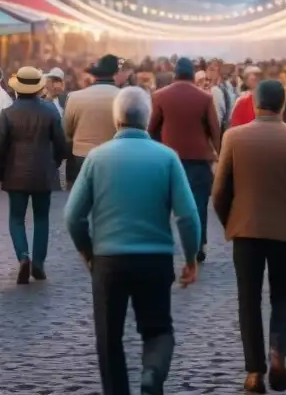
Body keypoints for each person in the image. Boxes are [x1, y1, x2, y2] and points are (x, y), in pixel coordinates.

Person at [65, 87, 200, 395]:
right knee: (158, 329)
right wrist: (191, 258)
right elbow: (188, 215)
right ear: (149, 119)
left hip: (109, 259)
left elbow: (73, 216)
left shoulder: (97, 159)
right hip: (155, 258)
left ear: (116, 119)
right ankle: (152, 372)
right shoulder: (167, 158)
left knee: (109, 338)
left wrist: (87, 252)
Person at [212, 79, 286, 394]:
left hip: (246, 230)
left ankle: (253, 371)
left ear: (255, 102)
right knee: (282, 294)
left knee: (248, 298)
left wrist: (230, 222)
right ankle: (278, 351)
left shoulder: (234, 137)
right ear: (283, 104)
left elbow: (219, 191)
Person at [0, 66, 67, 283]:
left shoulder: (8, 113)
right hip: (43, 172)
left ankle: (23, 256)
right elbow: (61, 144)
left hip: (15, 174)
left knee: (16, 218)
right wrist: (56, 162)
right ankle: (39, 263)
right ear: (38, 88)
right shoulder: (50, 111)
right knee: (42, 218)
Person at [148, 56, 221, 263]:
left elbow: (152, 128)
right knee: (198, 205)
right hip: (199, 160)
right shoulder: (205, 98)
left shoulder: (160, 96)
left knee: (165, 204)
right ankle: (198, 245)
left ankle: (162, 244)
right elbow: (214, 130)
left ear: (175, 73)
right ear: (192, 73)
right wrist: (219, 155)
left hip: (169, 160)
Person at [64, 54, 122, 187]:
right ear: (115, 74)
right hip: (113, 157)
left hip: (82, 156)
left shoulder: (74, 97)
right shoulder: (123, 97)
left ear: (94, 75)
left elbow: (67, 131)